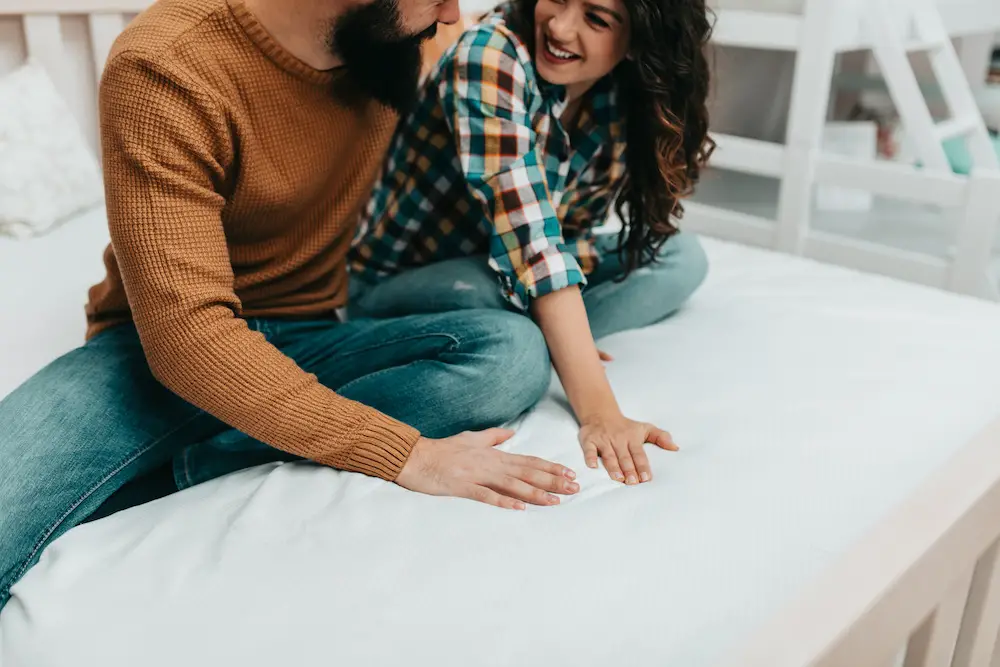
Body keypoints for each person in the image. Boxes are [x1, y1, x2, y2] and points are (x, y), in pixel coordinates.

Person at [0, 0, 584, 612]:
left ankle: (195, 463)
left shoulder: (407, 37)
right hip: (160, 350)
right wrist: (406, 453)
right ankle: (233, 440)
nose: (451, 11)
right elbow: (187, 337)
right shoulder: (166, 62)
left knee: (511, 352)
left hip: (312, 332)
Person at [349, 0, 716, 485]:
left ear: (639, 41)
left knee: (680, 257)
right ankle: (553, 336)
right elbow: (535, 247)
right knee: (497, 306)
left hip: (513, 278)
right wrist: (600, 411)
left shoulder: (620, 95)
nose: (561, 27)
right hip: (414, 280)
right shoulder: (490, 55)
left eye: (597, 19)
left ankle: (555, 337)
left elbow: (571, 231)